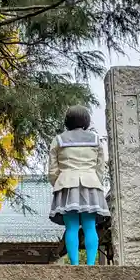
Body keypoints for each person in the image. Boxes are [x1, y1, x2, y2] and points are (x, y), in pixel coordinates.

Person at [48, 105, 110, 265]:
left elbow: (53, 169)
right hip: (91, 183)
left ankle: (75, 264)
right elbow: (100, 167)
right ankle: (90, 265)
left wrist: (58, 183)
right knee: (90, 226)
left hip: (66, 184)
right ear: (86, 120)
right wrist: (96, 182)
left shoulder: (58, 139)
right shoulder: (95, 140)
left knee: (71, 227)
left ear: (67, 121)